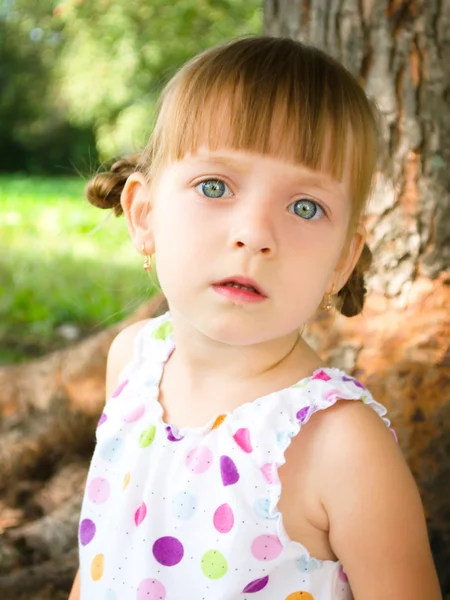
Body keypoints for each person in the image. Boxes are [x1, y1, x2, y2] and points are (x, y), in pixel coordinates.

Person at [69, 36, 441, 600]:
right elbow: (103, 560)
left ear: (342, 260)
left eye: (305, 206)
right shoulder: (133, 363)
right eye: (215, 186)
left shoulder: (340, 445)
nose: (255, 234)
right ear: (144, 214)